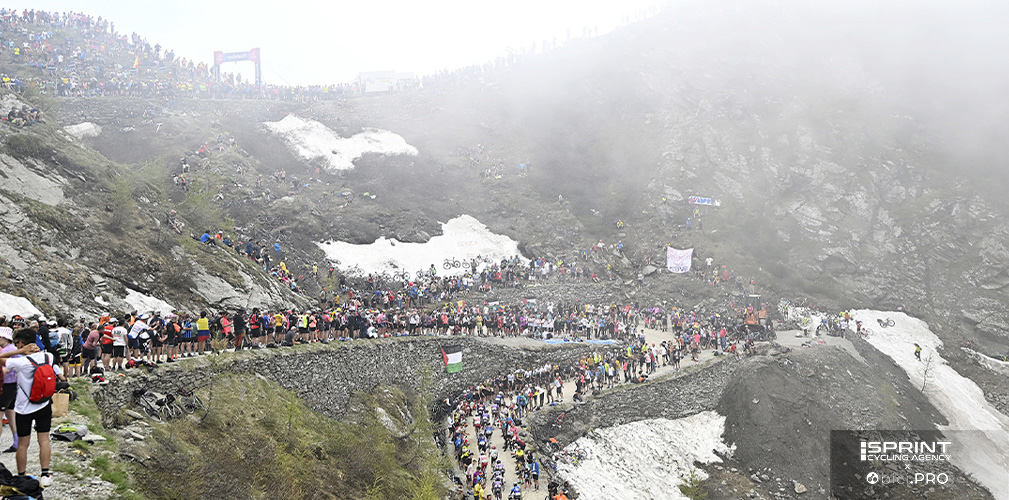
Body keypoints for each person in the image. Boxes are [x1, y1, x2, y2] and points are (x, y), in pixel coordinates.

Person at [0, 328, 66, 487]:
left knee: (23, 443)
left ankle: (21, 475)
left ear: (21, 343)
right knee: (44, 439)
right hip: (44, 403)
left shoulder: (20, 362)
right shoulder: (47, 356)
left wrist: (20, 351)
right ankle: (45, 474)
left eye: (17, 344)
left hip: (24, 407)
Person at [0, 327, 19, 453]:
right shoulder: (13, 349)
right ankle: (16, 441)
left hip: (6, 385)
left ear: (5, 338)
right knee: (11, 414)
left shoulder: (7, 350)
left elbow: (5, 369)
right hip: (13, 384)